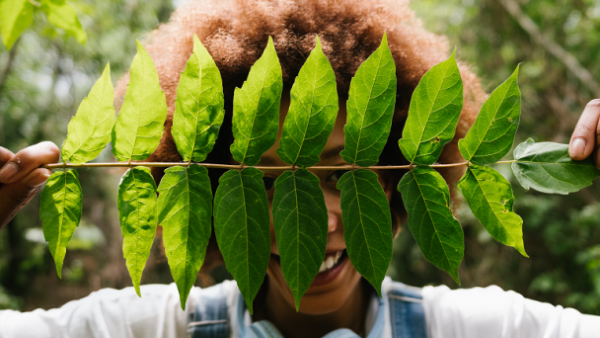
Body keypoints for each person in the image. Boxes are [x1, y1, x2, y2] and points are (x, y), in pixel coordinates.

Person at [0, 0, 599, 337]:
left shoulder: (480, 329)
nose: (315, 220)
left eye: (343, 173)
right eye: (263, 180)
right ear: (205, 195)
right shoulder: (151, 328)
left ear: (398, 174)